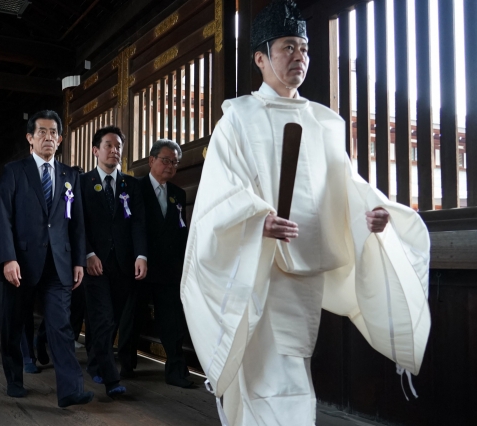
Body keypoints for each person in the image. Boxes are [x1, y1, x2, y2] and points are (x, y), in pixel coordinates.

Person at [180, 1, 431, 425]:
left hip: (306, 268)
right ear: (260, 58)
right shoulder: (237, 119)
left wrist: (369, 215)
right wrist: (257, 220)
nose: (299, 57)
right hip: (258, 266)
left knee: (293, 365)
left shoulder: (325, 121)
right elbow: (220, 194)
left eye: (304, 48)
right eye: (287, 48)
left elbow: (345, 186)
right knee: (267, 373)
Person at [0, 109, 93, 407]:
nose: (48, 137)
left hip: (59, 264)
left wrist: (78, 260)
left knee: (61, 326)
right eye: (42, 132)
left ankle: (70, 390)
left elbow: (76, 223)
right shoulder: (14, 171)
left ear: (60, 139)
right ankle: (14, 379)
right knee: (13, 325)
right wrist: (8, 258)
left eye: (53, 133)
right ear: (30, 138)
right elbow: (2, 218)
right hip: (19, 263)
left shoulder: (69, 176)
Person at [80, 126, 147, 397]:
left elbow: (139, 224)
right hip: (94, 263)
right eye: (108, 145)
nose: (114, 150)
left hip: (123, 263)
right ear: (96, 150)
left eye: (118, 146)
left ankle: (96, 362)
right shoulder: (82, 182)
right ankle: (111, 379)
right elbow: (76, 224)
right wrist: (87, 254)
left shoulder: (131, 185)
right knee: (103, 318)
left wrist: (141, 255)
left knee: (113, 319)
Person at [133, 139, 191, 388]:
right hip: (140, 266)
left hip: (170, 268)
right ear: (151, 160)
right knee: (133, 316)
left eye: (175, 162)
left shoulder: (179, 194)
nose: (170, 166)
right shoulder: (135, 188)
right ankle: (125, 363)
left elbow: (182, 231)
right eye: (165, 160)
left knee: (172, 320)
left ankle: (176, 370)